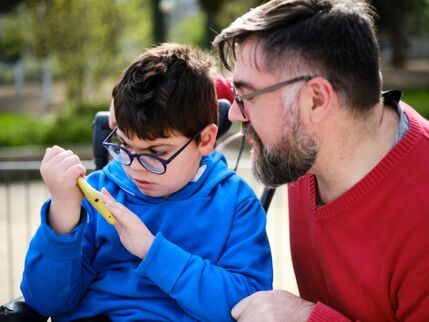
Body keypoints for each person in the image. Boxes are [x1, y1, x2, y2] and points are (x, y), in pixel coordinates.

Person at [20, 43, 273, 321]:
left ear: (205, 140)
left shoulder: (236, 204)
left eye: (156, 153)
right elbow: (45, 302)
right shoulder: (98, 192)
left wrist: (153, 252)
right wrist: (62, 216)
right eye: (125, 147)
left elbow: (250, 306)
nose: (136, 168)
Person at [213, 0, 429, 321]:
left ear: (316, 100)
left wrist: (305, 317)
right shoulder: (308, 139)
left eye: (246, 97)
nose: (233, 110)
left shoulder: (421, 220)